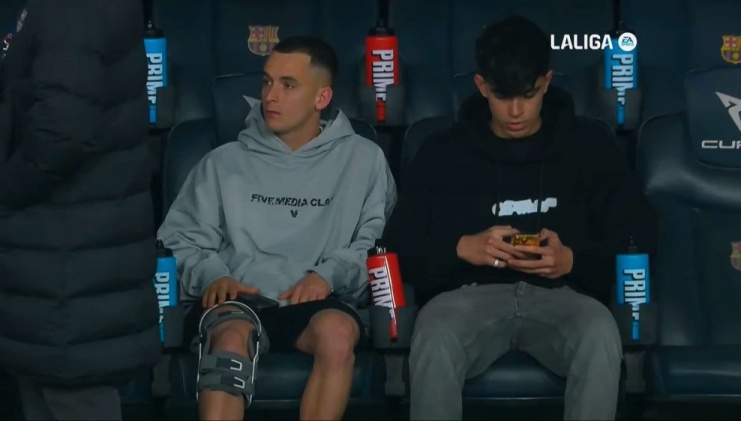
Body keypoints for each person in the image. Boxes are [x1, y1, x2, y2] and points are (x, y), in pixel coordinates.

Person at [383, 16, 657, 421]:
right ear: (481, 86)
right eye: (502, 96)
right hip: (466, 297)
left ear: (546, 82)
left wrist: (573, 260)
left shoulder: (589, 145)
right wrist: (461, 248)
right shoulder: (442, 151)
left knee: (599, 330)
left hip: (565, 296)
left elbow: (639, 235)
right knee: (434, 332)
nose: (516, 111)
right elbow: (396, 247)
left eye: (528, 96)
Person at [157, 35, 397, 421]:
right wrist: (213, 275)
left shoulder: (364, 160)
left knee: (337, 335)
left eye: (288, 85)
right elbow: (178, 241)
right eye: (267, 82)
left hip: (318, 299)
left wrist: (328, 274)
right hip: (239, 296)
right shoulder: (222, 162)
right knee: (229, 340)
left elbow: (375, 243)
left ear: (321, 97)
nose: (270, 96)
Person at [0, 1, 162, 420]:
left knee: (72, 393)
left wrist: (6, 189)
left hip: (69, 253)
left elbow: (62, 131)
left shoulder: (71, 8)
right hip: (63, 249)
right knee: (52, 389)